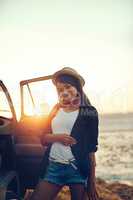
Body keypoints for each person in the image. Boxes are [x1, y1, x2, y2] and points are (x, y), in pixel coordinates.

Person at [29, 67, 99, 200]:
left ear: (77, 87)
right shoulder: (56, 109)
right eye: (60, 89)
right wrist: (57, 137)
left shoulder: (89, 112)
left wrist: (91, 182)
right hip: (53, 166)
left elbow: (91, 148)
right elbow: (43, 137)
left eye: (68, 87)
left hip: (77, 168)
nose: (64, 92)